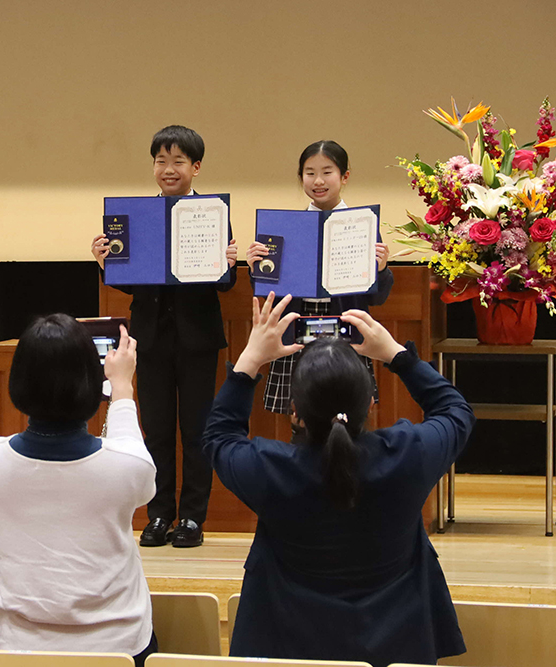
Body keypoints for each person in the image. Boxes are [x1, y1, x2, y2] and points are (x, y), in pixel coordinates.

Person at [204, 292, 475, 666]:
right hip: (398, 648)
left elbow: (218, 437)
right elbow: (455, 410)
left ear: (294, 411)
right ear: (370, 404)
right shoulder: (409, 455)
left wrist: (251, 358)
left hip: (290, 650)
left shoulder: (269, 468)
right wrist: (398, 355)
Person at [0, 315, 158, 667]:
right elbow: (131, 454)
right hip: (120, 647)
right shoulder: (128, 465)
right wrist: (122, 387)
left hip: (21, 647)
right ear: (92, 382)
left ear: (18, 383)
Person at [90, 125, 238, 548]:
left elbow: (224, 286)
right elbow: (133, 281)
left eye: (178, 161)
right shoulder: (136, 216)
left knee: (196, 430)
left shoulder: (213, 214)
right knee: (154, 430)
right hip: (149, 339)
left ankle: (192, 519)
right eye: (160, 160)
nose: (168, 169)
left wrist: (228, 263)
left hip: (198, 339)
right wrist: (106, 263)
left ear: (196, 167)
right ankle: (157, 515)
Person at [246, 140, 393, 415]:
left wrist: (382, 270)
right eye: (310, 172)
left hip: (345, 328)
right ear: (301, 177)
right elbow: (267, 292)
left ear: (344, 176)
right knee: (299, 422)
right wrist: (256, 267)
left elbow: (378, 297)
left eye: (327, 171)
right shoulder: (285, 229)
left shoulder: (363, 225)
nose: (318, 180)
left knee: (347, 420)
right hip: (296, 330)